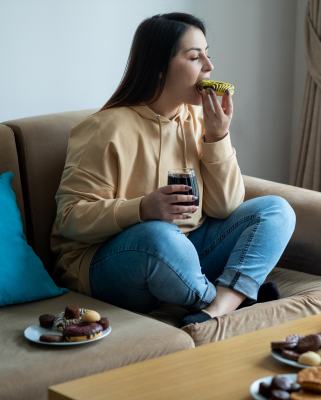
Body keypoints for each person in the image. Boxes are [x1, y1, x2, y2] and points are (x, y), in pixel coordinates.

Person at [51, 12, 296, 328]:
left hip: (186, 253)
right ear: (159, 68)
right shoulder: (104, 129)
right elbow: (69, 218)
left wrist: (218, 136)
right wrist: (141, 208)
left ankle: (218, 307)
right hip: (111, 265)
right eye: (195, 57)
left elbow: (225, 207)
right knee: (159, 235)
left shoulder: (197, 122)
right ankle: (232, 299)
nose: (208, 67)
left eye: (208, 55)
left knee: (276, 210)